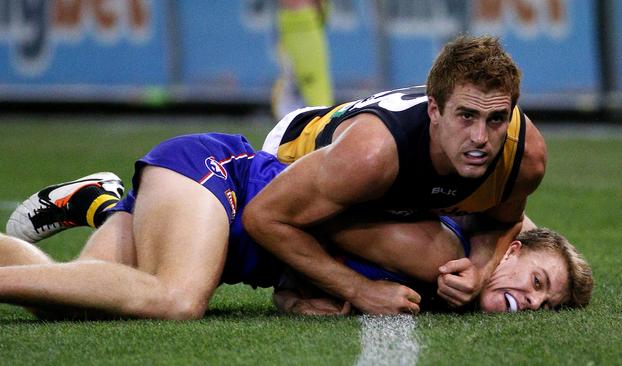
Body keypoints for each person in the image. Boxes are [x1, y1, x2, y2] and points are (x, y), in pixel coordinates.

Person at [2, 132, 590, 319]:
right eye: (538, 283)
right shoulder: (439, 252)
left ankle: (100, 204)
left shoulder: (458, 270)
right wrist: (348, 289)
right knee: (177, 299)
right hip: (221, 184)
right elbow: (314, 231)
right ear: (511, 253)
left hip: (219, 220)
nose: (532, 305)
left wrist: (292, 296)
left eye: (547, 304)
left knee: (71, 297)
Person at [244, 35, 548, 313]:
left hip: (396, 183)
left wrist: (481, 270)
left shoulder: (525, 157)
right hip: (294, 159)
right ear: (434, 111)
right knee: (438, 260)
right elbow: (263, 217)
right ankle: (292, 281)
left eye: (496, 119)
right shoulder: (371, 156)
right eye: (466, 116)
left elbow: (504, 220)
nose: (480, 137)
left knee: (545, 250)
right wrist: (360, 290)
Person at [272, 0, 334, 119]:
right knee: (305, 85)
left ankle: (321, 124)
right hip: (298, 21)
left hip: (305, 21)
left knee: (313, 85)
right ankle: (318, 124)